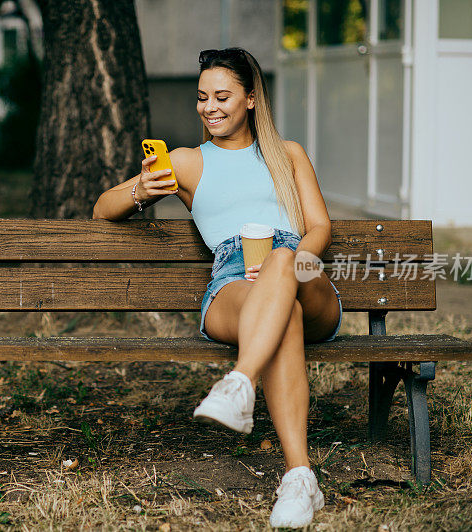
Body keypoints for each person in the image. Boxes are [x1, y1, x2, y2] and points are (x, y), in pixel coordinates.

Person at [92, 47, 343, 528]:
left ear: (250, 98)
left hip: (302, 269)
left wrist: (289, 267)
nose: (210, 107)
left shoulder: (287, 154)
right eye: (202, 98)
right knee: (280, 311)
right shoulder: (187, 162)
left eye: (223, 96)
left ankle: (239, 383)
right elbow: (104, 208)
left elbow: (319, 227)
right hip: (234, 282)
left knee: (284, 267)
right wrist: (142, 191)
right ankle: (300, 480)